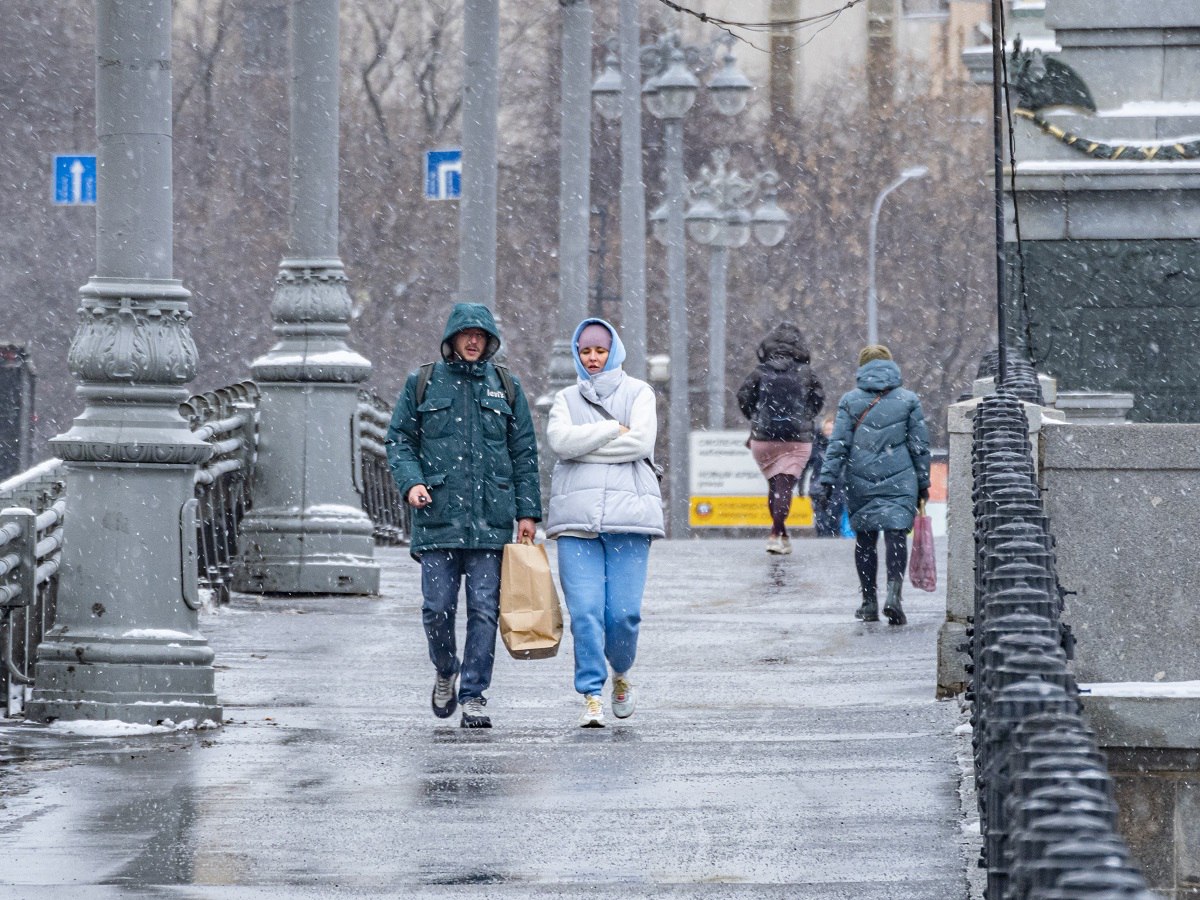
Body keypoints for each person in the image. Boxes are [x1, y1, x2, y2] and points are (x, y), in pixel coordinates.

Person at [385, 302, 541, 728]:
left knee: (484, 610)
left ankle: (474, 694)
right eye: (466, 334)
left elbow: (524, 452)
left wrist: (528, 513)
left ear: (489, 341)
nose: (473, 341)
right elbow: (399, 440)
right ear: (452, 338)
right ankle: (445, 667)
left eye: (481, 335)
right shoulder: (423, 382)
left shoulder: (506, 387)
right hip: (437, 517)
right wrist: (412, 482)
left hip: (492, 520)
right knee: (437, 608)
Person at [545, 318, 664, 728]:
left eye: (599, 350)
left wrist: (585, 447)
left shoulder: (639, 393)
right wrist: (613, 429)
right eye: (585, 351)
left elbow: (642, 443)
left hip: (630, 520)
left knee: (624, 615)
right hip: (575, 522)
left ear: (613, 351)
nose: (592, 358)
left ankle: (622, 672)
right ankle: (591, 694)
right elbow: (560, 443)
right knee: (585, 614)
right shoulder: (564, 398)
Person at [818, 344, 930, 625]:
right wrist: (923, 482)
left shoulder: (849, 401)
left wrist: (827, 479)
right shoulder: (908, 400)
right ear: (890, 366)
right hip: (901, 477)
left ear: (862, 368)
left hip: (860, 477)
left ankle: (869, 601)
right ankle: (894, 596)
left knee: (866, 540)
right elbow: (919, 446)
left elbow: (838, 445)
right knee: (895, 535)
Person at [736, 322, 825, 555]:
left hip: (763, 438)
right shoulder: (806, 372)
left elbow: (743, 395)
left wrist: (754, 418)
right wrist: (806, 417)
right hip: (797, 439)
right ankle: (776, 534)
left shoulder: (760, 371)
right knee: (784, 485)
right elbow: (818, 399)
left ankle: (781, 533)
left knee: (775, 485)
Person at [806, 415, 848, 537]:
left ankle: (831, 539)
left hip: (838, 487)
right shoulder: (816, 447)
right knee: (820, 520)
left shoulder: (842, 447)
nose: (829, 433)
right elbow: (806, 466)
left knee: (835, 520)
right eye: (827, 429)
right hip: (818, 487)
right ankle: (823, 538)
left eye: (832, 430)